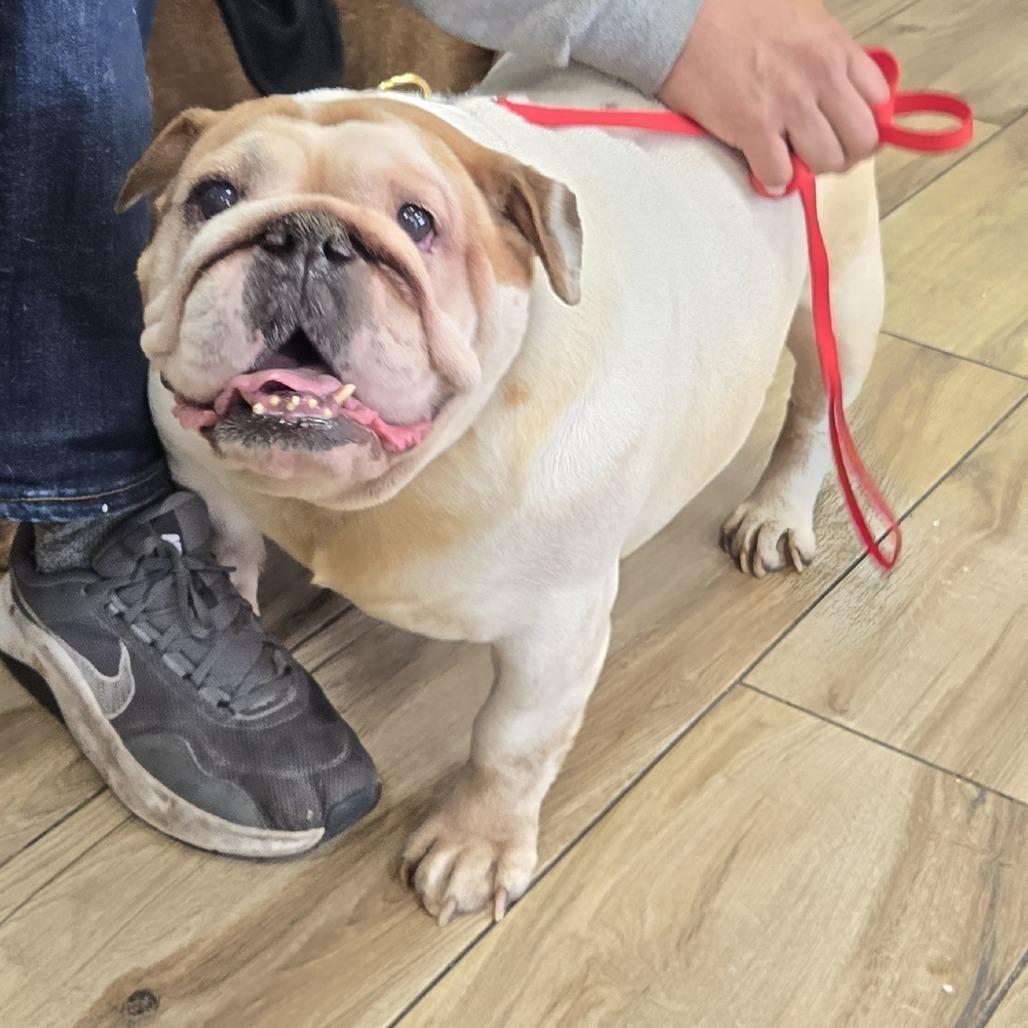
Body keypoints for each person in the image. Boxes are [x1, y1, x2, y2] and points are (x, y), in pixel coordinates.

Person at [0, 0, 886, 854]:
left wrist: (502, 801)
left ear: (534, 242)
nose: (304, 257)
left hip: (758, 147)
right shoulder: (187, 377)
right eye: (218, 197)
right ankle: (209, 555)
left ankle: (805, 452)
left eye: (415, 220)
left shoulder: (575, 465)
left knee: (830, 332)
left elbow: (560, 637)